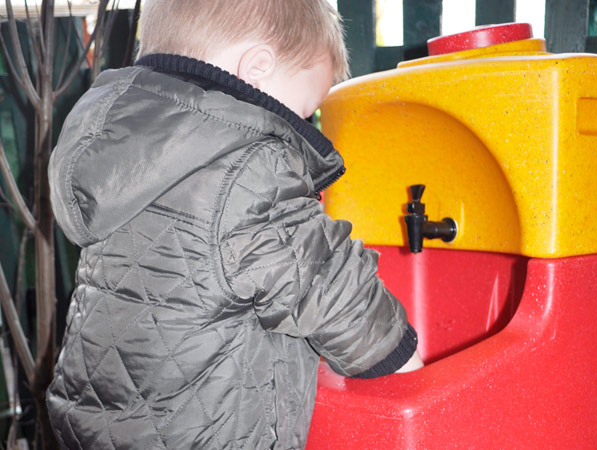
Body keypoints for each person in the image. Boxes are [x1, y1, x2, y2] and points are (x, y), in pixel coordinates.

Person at [46, 0, 423, 449]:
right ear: (257, 68)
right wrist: (403, 359)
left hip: (98, 423)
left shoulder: (130, 150)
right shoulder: (247, 163)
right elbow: (322, 277)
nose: (302, 124)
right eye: (304, 110)